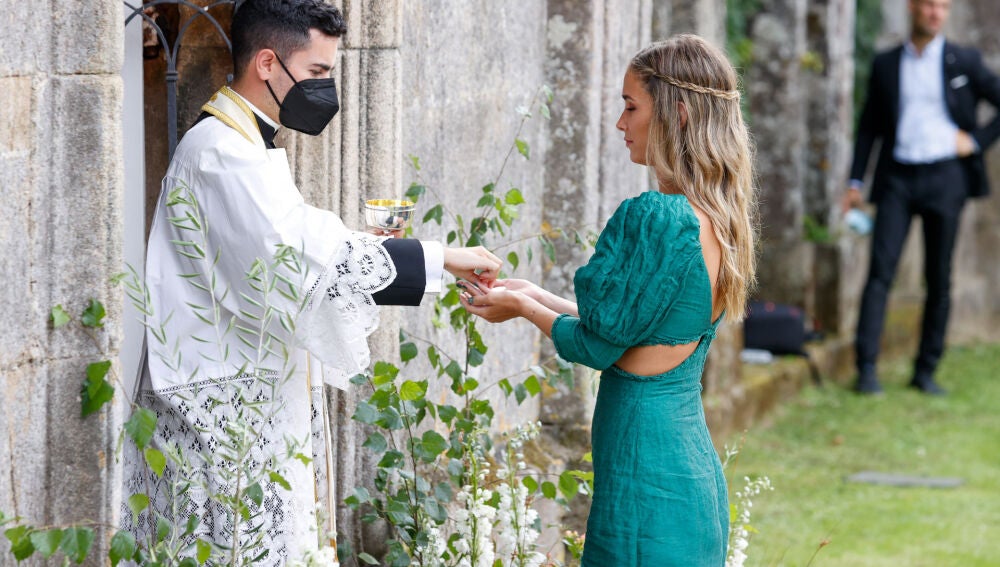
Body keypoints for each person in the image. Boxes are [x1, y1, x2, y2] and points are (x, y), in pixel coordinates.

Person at [123, 0, 501, 563]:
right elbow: (302, 257)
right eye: (318, 72)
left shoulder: (244, 141)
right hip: (218, 410)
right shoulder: (222, 153)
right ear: (268, 64)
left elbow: (298, 248)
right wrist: (441, 259)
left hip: (244, 394)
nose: (326, 88)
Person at [461, 35, 756, 566]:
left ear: (678, 114)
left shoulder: (659, 217)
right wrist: (536, 294)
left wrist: (526, 311)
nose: (621, 124)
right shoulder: (715, 218)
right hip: (685, 474)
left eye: (630, 106)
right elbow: (635, 332)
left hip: (645, 477)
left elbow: (599, 347)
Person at [844, 0, 1000, 395]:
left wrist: (977, 142)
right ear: (913, 8)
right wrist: (855, 182)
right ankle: (866, 369)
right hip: (897, 177)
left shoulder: (963, 60)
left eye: (943, 7)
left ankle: (925, 370)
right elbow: (869, 128)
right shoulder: (885, 64)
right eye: (929, 5)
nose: (935, 13)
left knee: (939, 277)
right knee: (880, 273)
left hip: (947, 176)